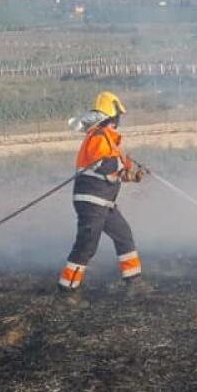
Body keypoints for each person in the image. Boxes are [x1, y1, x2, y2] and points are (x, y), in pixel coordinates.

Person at [58, 91, 147, 294]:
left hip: (104, 201)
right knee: (87, 246)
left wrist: (131, 174)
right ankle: (67, 290)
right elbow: (103, 165)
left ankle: (134, 282)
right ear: (110, 117)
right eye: (117, 117)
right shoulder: (98, 136)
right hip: (91, 200)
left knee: (123, 235)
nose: (118, 121)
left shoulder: (109, 139)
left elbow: (113, 172)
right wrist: (125, 165)